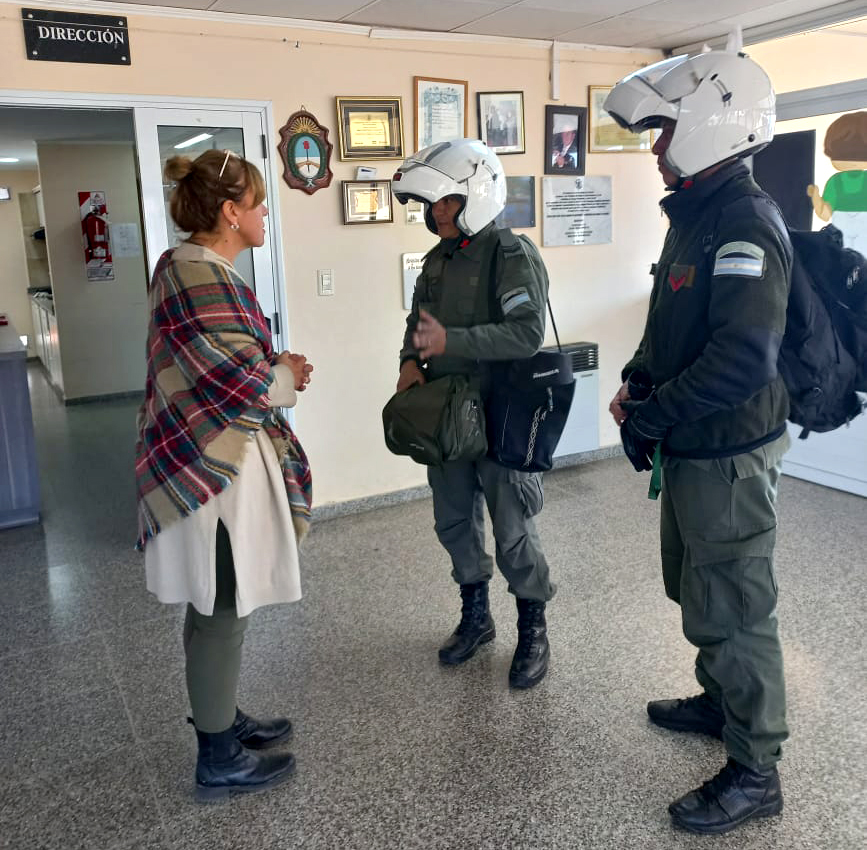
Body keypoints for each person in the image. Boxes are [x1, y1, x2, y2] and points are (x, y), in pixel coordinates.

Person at [604, 50, 792, 834]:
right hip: (692, 449)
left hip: (725, 455)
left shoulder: (744, 220)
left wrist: (653, 417)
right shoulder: (694, 217)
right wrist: (636, 379)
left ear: (712, 124)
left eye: (663, 130)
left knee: (736, 609)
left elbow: (741, 358)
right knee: (696, 590)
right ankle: (720, 704)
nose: (653, 147)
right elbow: (673, 325)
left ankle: (756, 770)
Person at [135, 149, 314, 801]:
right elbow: (240, 381)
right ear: (230, 213)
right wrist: (286, 373)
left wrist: (274, 368)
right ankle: (218, 756)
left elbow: (228, 365)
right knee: (224, 604)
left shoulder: (187, 267)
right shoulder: (199, 273)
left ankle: (221, 714)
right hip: (215, 469)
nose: (265, 213)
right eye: (258, 203)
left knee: (210, 597)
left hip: (210, 457)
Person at [391, 138, 555, 689]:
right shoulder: (437, 260)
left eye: (444, 203)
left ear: (474, 197)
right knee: (454, 521)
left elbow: (527, 333)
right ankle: (477, 616)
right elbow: (419, 323)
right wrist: (410, 361)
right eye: (431, 205)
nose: (434, 213)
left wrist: (450, 341)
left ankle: (533, 625)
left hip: (502, 413)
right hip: (447, 416)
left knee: (513, 531)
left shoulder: (512, 256)